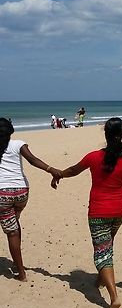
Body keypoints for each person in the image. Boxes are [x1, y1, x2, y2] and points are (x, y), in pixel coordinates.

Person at [51, 117, 122, 308]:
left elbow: (74, 170)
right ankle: (100, 280)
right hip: (119, 211)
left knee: (101, 253)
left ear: (106, 135)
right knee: (106, 245)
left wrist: (58, 174)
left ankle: (114, 297)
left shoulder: (93, 157)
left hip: (98, 212)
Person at [0, 117, 61, 281]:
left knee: (11, 232)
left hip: (2, 194)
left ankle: (21, 273)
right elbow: (32, 160)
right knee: (15, 221)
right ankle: (16, 262)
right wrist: (51, 169)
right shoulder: (18, 144)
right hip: (22, 192)